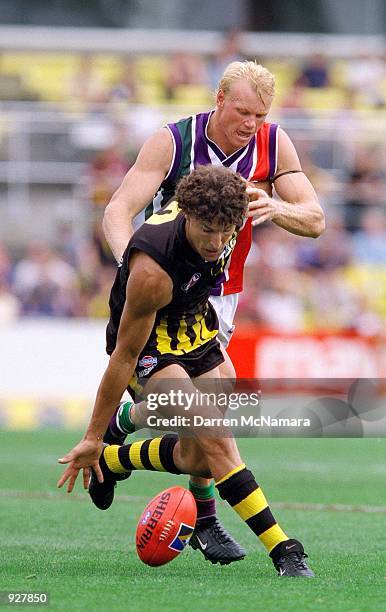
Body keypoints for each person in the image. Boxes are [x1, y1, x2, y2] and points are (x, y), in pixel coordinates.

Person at [100, 60, 325, 564]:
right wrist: (131, 271)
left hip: (220, 298)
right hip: (165, 294)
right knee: (213, 430)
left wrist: (276, 209)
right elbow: (117, 211)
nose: (251, 123)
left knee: (205, 437)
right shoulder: (173, 141)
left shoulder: (272, 142)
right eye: (243, 110)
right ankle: (222, 526)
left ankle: (121, 440)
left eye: (260, 114)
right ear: (219, 97)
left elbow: (315, 219)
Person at [58, 165, 314, 577]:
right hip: (151, 349)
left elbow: (310, 217)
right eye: (207, 231)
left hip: (198, 331)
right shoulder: (152, 271)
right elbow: (122, 356)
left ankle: (115, 457)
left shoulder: (228, 213)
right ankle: (284, 549)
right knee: (217, 438)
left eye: (225, 231)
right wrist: (90, 434)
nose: (216, 242)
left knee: (197, 458)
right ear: (187, 216)